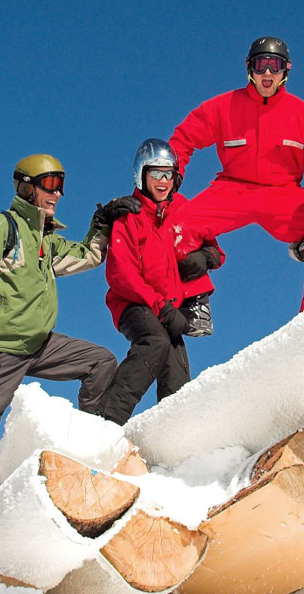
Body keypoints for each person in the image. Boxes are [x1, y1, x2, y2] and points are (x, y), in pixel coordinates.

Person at [0, 154, 140, 443]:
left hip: (40, 345)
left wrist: (102, 223)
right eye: (50, 184)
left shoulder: (46, 241)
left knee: (100, 362)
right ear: (27, 187)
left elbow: (86, 255)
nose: (58, 193)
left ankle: (91, 444)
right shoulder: (1, 227)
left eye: (60, 185)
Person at [169, 36, 304, 314]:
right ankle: (193, 302)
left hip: (284, 196)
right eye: (262, 65)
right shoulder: (223, 106)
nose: (268, 73)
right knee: (177, 229)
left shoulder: (301, 113)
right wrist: (172, 173)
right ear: (250, 67)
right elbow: (184, 138)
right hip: (232, 190)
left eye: (275, 65)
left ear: (286, 70)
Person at [98, 139, 224, 425]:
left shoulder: (182, 208)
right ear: (141, 175)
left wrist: (206, 257)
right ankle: (106, 421)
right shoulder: (129, 215)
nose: (163, 181)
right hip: (134, 303)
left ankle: (173, 434)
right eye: (156, 173)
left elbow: (217, 249)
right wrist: (162, 309)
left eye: (168, 174)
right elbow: (121, 275)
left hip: (169, 308)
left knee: (177, 370)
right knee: (155, 342)